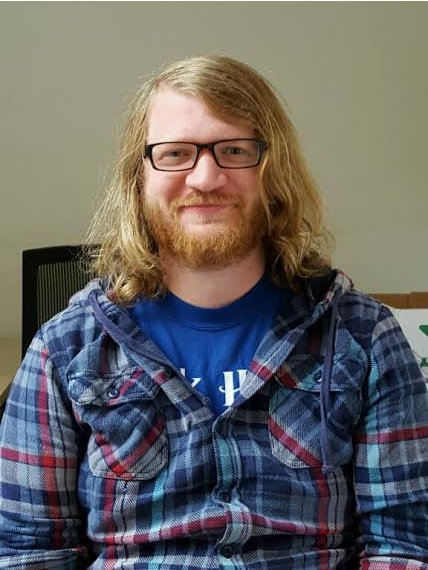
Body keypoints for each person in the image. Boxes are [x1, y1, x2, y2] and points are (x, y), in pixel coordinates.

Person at [0, 55, 427, 570]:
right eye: (176, 153)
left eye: (234, 150)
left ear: (274, 172)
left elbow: (403, 546)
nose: (205, 177)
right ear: (139, 178)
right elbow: (29, 552)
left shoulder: (364, 334)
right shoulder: (64, 348)